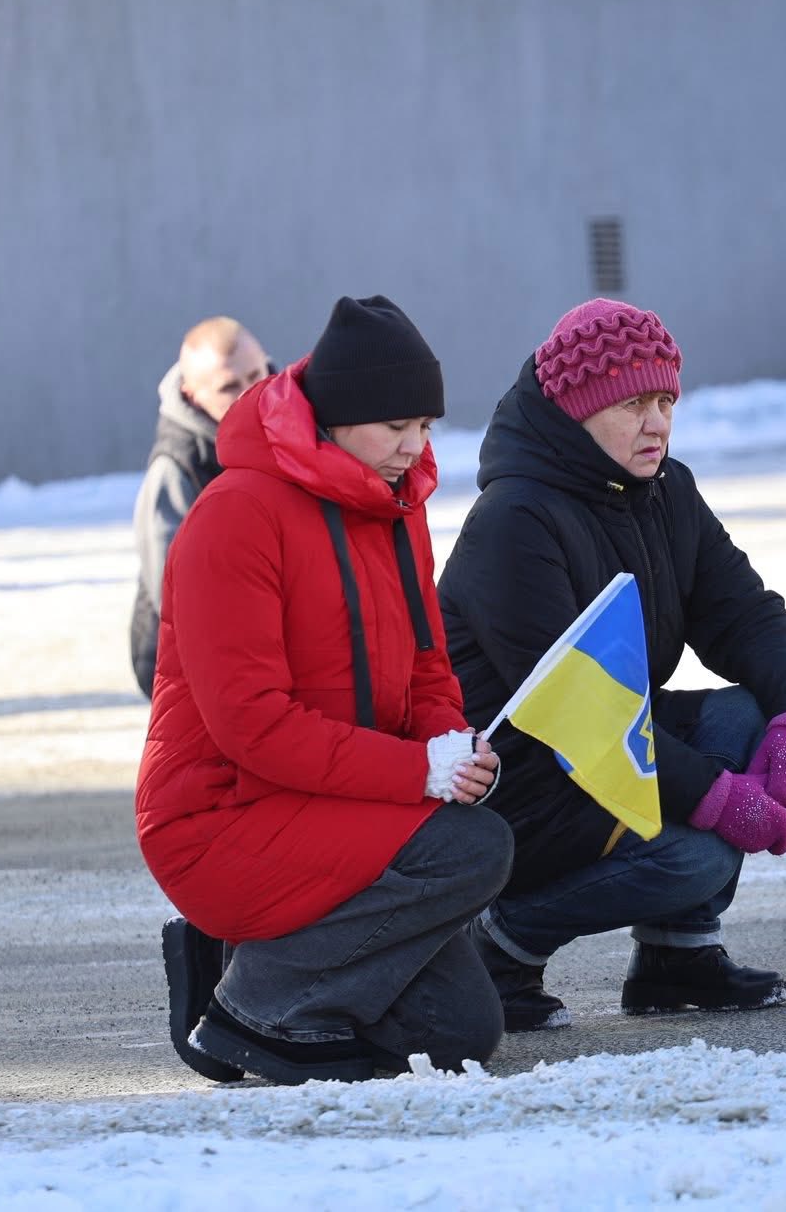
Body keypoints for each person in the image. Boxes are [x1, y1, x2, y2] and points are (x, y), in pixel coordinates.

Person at [134, 295, 511, 1086]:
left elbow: (427, 667)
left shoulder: (395, 507)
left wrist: (452, 746)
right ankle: (253, 1009)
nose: (414, 448)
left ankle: (254, 961)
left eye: (426, 428)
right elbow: (254, 729)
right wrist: (418, 773)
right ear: (337, 418)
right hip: (220, 821)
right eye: (395, 427)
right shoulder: (233, 516)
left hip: (332, 804)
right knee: (472, 849)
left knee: (460, 1036)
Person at [438, 298, 786, 1031]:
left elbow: (743, 611)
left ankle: (676, 958)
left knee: (743, 717)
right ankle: (498, 947)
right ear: (577, 411)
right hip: (520, 783)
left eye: (665, 400)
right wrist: (718, 798)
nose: (657, 422)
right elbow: (578, 711)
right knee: (698, 858)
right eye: (632, 404)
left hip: (607, 753)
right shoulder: (513, 520)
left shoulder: (664, 491)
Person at [128, 317, 272, 697]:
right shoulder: (176, 469)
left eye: (258, 374)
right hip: (187, 666)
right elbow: (177, 598)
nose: (251, 392)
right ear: (193, 396)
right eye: (229, 387)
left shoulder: (286, 427)